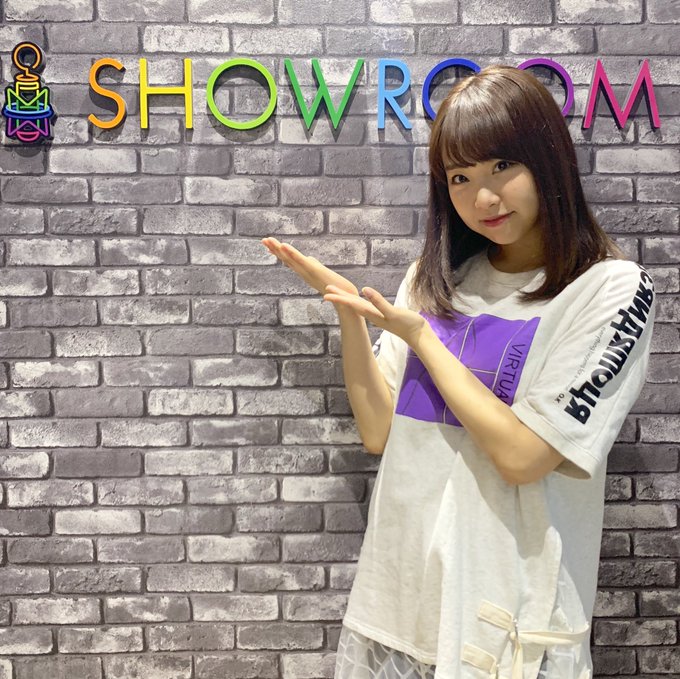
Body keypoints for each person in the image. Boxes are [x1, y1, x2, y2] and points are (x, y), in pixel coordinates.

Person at [261, 64, 656, 679]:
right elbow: (380, 432)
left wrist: (422, 337)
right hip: (400, 605)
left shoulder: (610, 290)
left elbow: (523, 456)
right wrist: (351, 315)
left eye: (503, 166)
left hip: (508, 626)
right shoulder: (435, 281)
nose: (483, 198)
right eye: (460, 178)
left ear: (549, 160)